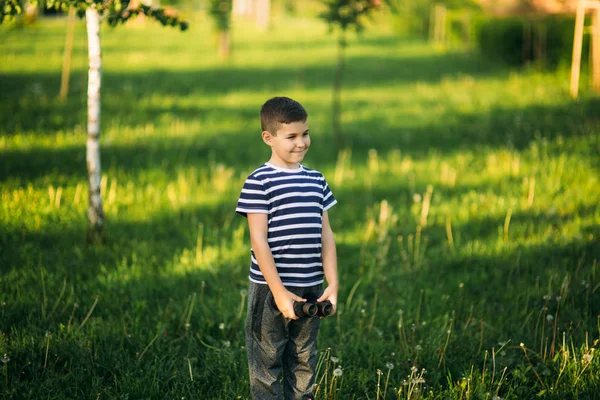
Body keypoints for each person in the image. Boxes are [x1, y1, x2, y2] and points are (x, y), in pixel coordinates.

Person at [236, 96, 339, 400]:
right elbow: (259, 241)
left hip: (311, 287)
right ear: (268, 138)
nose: (301, 143)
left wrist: (332, 283)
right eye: (291, 136)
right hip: (270, 290)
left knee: (304, 360)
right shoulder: (259, 181)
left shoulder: (316, 180)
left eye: (305, 133)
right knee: (266, 362)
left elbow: (327, 234)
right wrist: (279, 292)